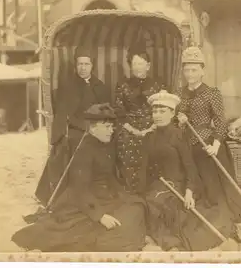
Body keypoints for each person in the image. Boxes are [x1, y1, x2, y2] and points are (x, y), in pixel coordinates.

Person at [12, 104, 147, 252]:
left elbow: (109, 177)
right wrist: (100, 216)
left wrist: (123, 194)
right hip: (85, 199)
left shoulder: (105, 146)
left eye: (112, 127)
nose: (111, 130)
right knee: (93, 231)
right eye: (107, 127)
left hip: (105, 196)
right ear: (93, 128)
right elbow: (79, 189)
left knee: (136, 207)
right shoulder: (84, 151)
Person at [176, 47, 241, 226]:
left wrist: (215, 145)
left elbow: (220, 122)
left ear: (202, 71)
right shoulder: (179, 93)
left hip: (207, 147)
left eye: (194, 70)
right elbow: (174, 119)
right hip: (185, 146)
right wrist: (180, 119)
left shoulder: (212, 93)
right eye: (187, 70)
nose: (190, 74)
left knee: (216, 196)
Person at [140, 90, 237, 251]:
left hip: (178, 185)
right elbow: (145, 169)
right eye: (155, 111)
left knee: (175, 212)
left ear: (172, 113)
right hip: (158, 186)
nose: (157, 115)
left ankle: (171, 243)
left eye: (162, 111)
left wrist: (189, 191)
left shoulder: (178, 136)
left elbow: (190, 166)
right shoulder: (149, 137)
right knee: (148, 206)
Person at [35, 46, 111, 206]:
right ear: (75, 66)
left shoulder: (100, 86)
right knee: (72, 145)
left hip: (98, 128)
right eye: (80, 64)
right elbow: (65, 114)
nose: (83, 68)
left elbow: (106, 111)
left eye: (86, 64)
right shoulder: (68, 86)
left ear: (92, 66)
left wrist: (98, 128)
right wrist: (86, 128)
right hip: (76, 129)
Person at [114, 40, 166, 193]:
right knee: (124, 142)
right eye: (135, 64)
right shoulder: (122, 85)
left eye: (141, 63)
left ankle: (152, 191)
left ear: (148, 66)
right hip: (129, 128)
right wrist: (134, 131)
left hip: (154, 126)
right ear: (130, 66)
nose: (138, 67)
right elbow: (119, 111)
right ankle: (130, 191)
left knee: (156, 146)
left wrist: (151, 127)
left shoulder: (158, 85)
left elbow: (163, 108)